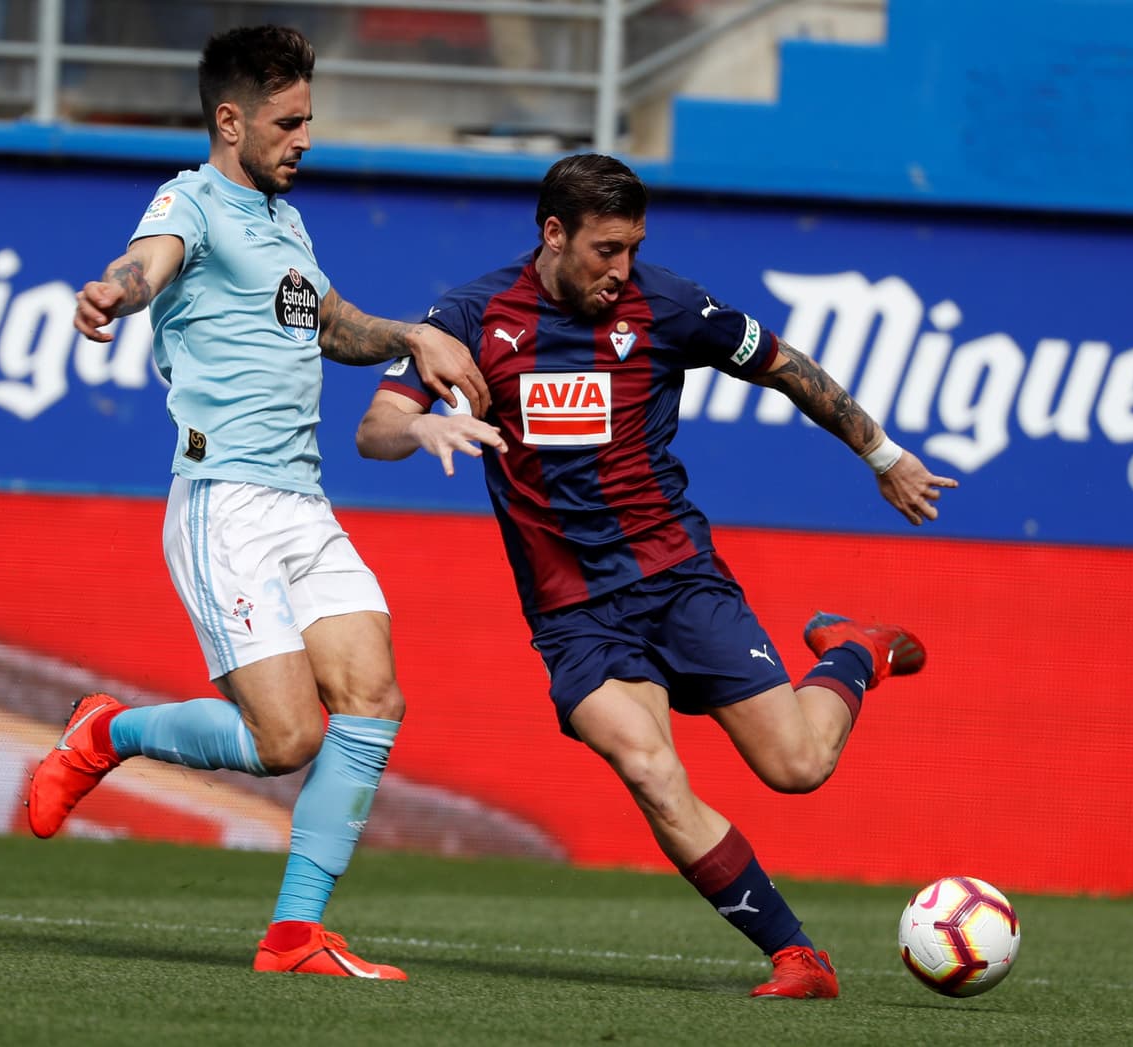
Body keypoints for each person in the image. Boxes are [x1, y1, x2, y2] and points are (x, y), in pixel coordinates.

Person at [355, 152, 958, 1000]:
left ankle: (855, 651)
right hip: (574, 614)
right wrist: (418, 432)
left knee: (797, 766)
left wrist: (883, 454)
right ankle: (798, 956)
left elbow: (786, 366)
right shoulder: (473, 317)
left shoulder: (669, 305)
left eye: (633, 247)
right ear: (553, 234)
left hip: (678, 579)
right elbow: (374, 426)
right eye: (606, 249)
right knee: (647, 768)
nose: (621, 269)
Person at [27, 24, 488, 981]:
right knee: (286, 740)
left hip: (303, 505)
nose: (305, 137)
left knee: (374, 697)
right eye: (289, 120)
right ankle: (106, 732)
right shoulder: (189, 202)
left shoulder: (285, 220)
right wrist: (110, 296)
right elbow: (145, 264)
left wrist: (412, 334)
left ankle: (294, 935)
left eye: (309, 118)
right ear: (229, 121)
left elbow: (330, 321)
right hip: (224, 502)